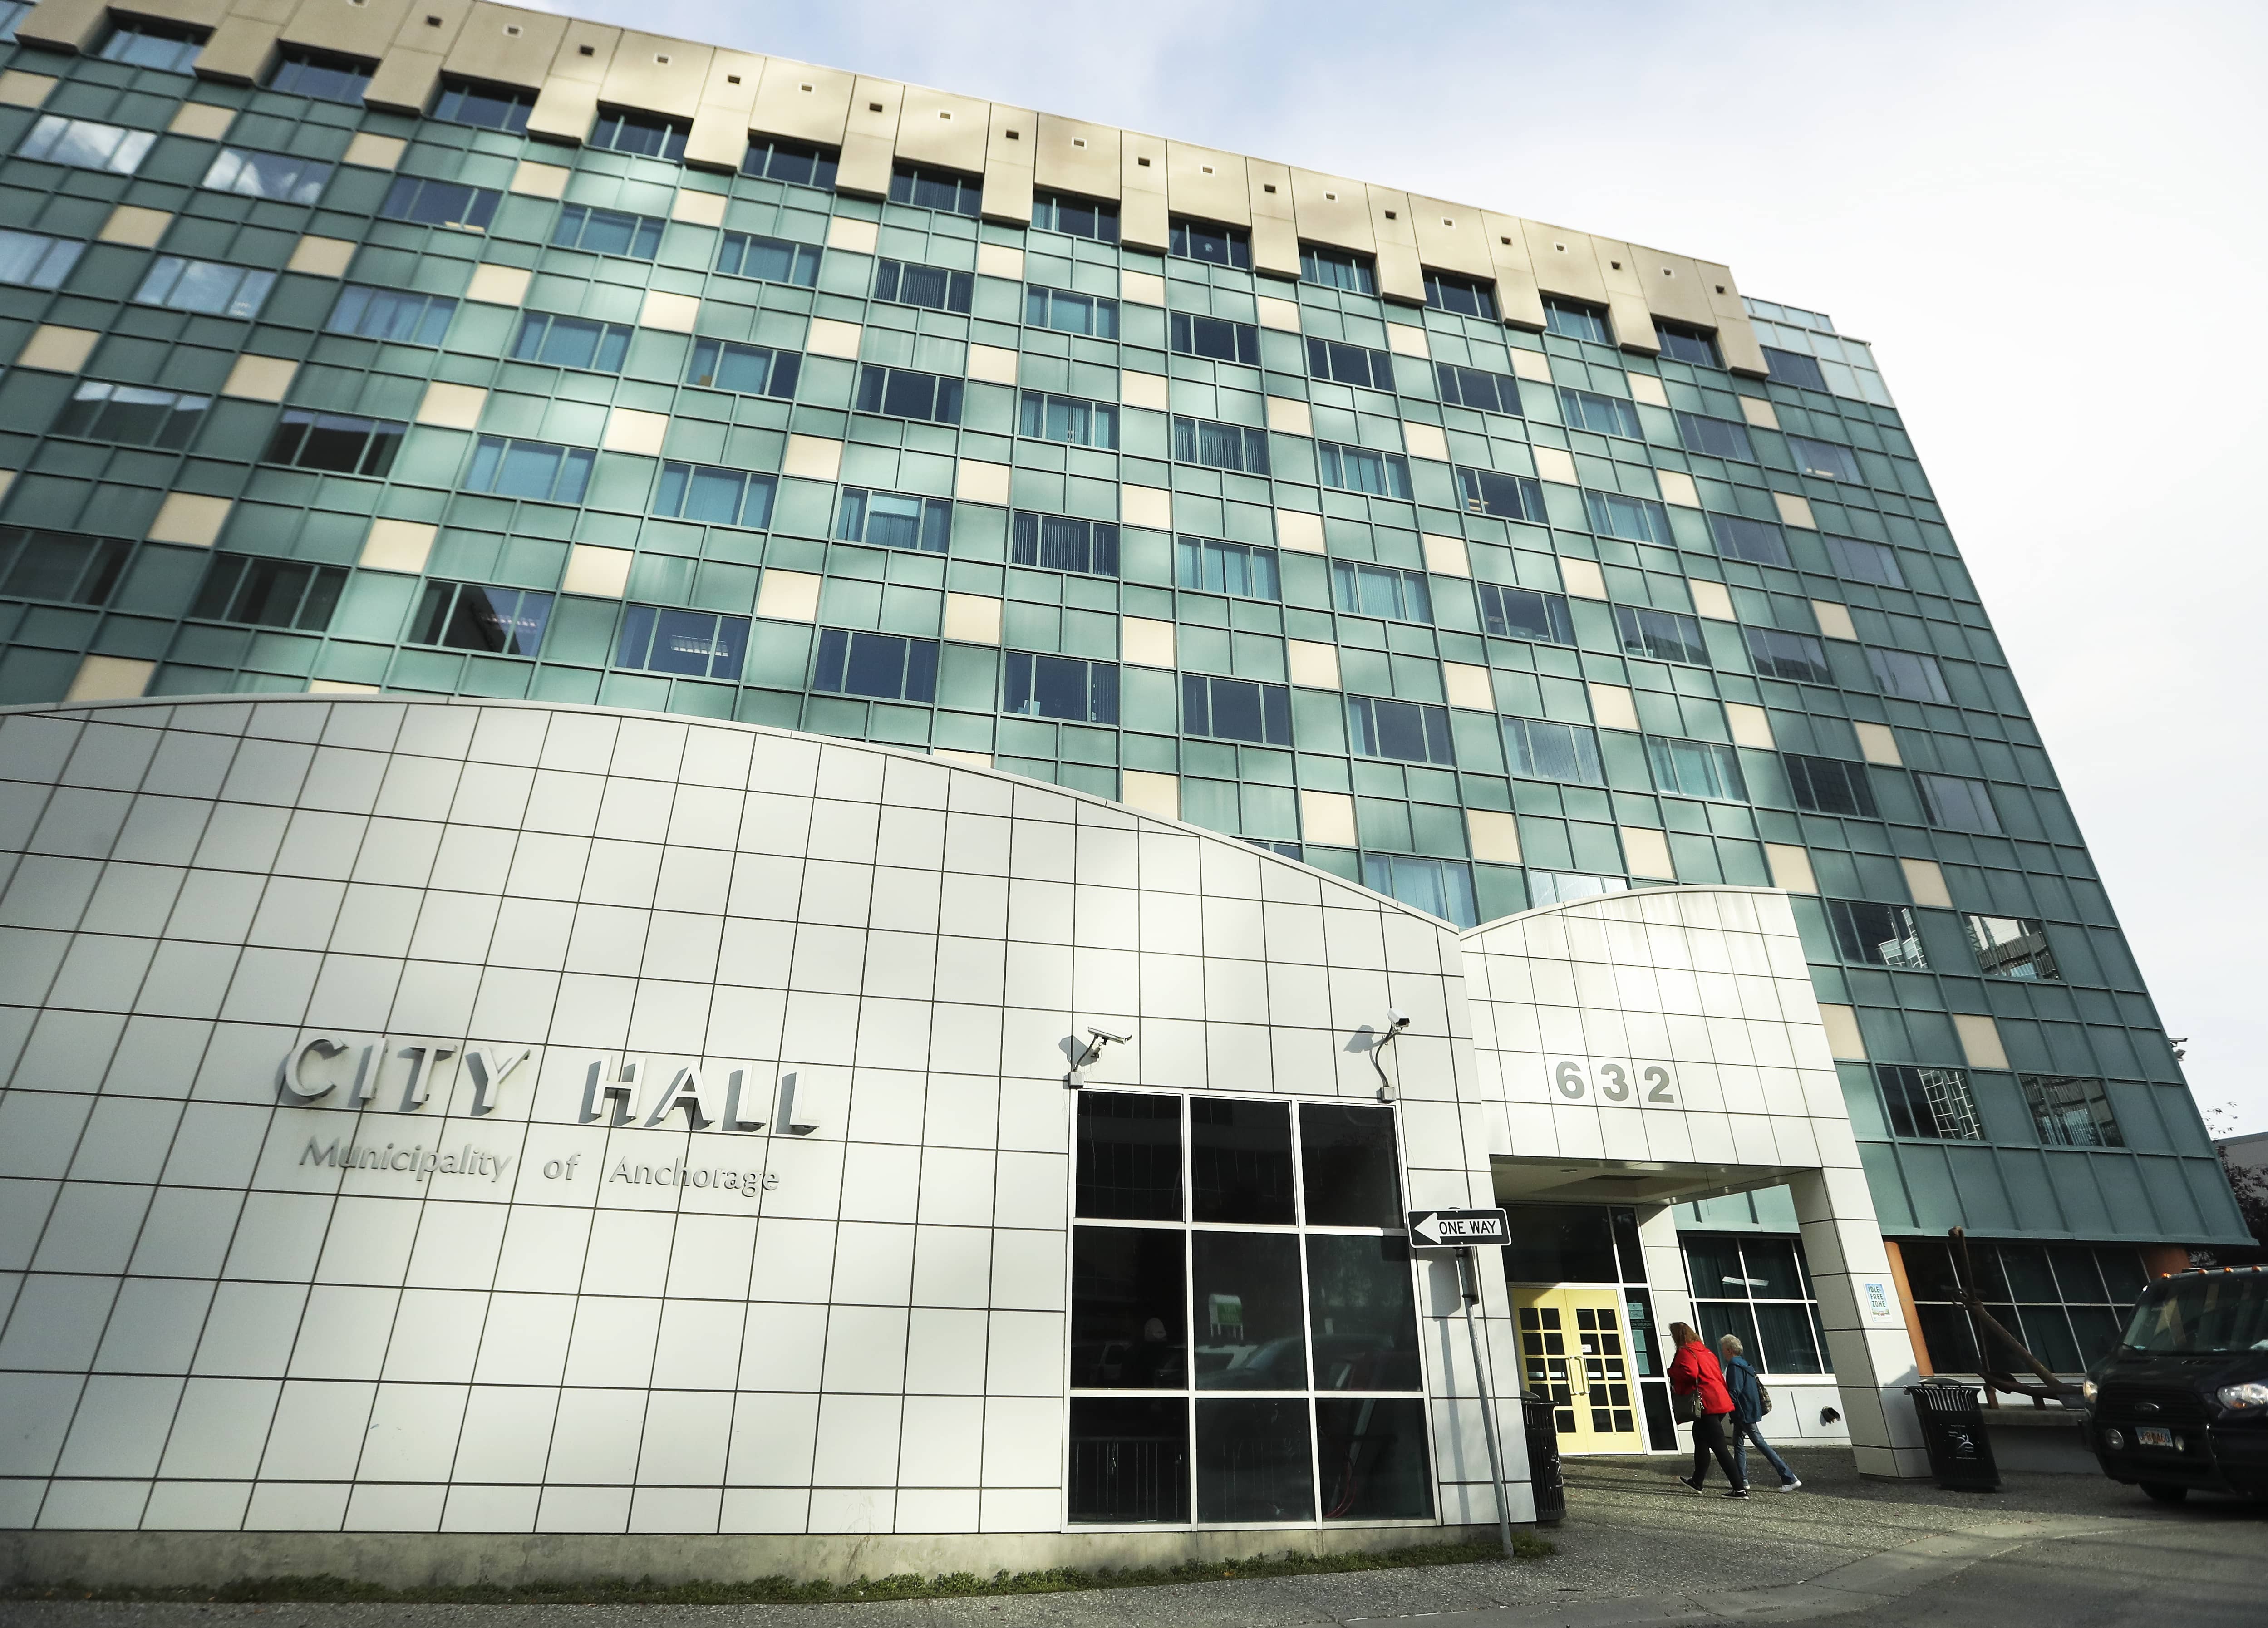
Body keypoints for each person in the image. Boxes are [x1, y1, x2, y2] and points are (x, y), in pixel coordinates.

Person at [1667, 1321, 1747, 1498]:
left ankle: (1739, 1488)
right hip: (1720, 1400)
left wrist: (1672, 1373)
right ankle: (1697, 1481)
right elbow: (1718, 1374)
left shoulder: (1686, 1352)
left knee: (1719, 1447)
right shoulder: (1706, 1351)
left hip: (1707, 1404)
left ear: (1678, 1336)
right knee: (1700, 1437)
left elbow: (1690, 1373)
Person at [1718, 1334, 1801, 1492]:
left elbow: (1735, 1391)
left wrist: (1723, 1407)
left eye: (1723, 1349)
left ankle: (1789, 1477)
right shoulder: (1745, 1365)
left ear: (1729, 1350)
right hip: (1748, 1410)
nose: (1722, 1352)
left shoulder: (1734, 1366)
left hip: (1743, 1412)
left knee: (1759, 1443)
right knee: (1738, 1443)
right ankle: (1742, 1480)